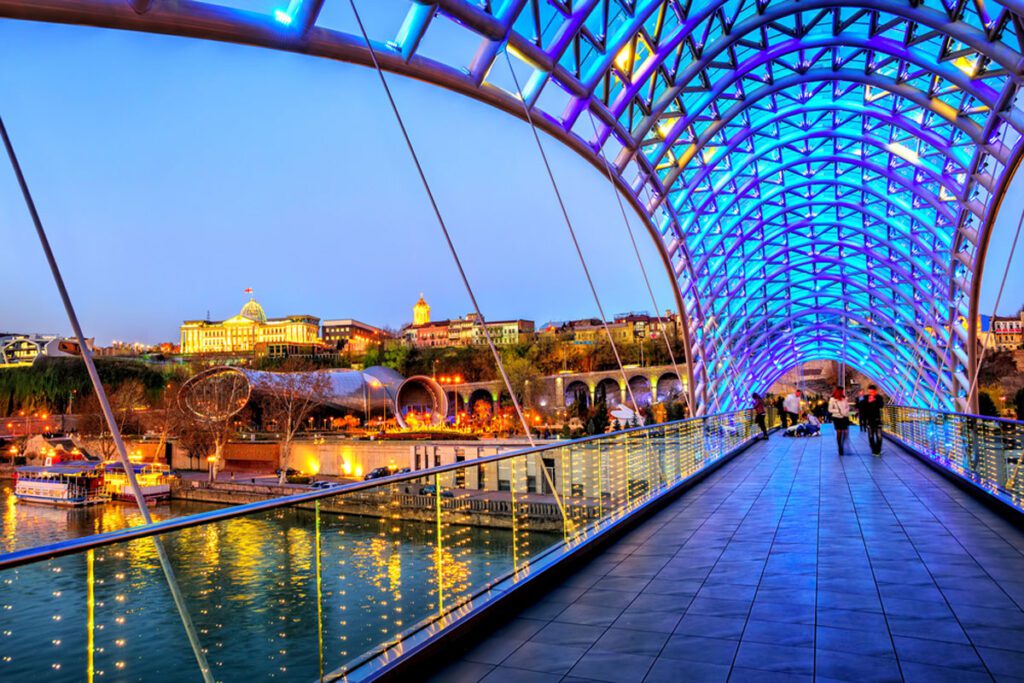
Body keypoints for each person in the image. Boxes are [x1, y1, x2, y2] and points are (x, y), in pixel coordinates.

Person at [859, 384, 886, 455]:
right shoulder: (865, 398)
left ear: (875, 391)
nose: (870, 394)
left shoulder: (878, 397)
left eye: (872, 392)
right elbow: (860, 405)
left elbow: (881, 405)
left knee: (879, 435)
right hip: (869, 419)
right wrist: (861, 397)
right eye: (869, 392)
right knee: (870, 436)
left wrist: (874, 400)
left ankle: (878, 450)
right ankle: (873, 449)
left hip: (877, 419)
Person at [828, 387, 851, 456]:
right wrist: (838, 411)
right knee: (839, 432)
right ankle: (840, 447)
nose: (842, 392)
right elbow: (830, 409)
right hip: (837, 417)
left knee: (845, 432)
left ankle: (842, 444)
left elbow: (847, 407)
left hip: (844, 417)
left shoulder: (844, 398)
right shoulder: (832, 399)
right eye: (841, 391)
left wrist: (845, 411)